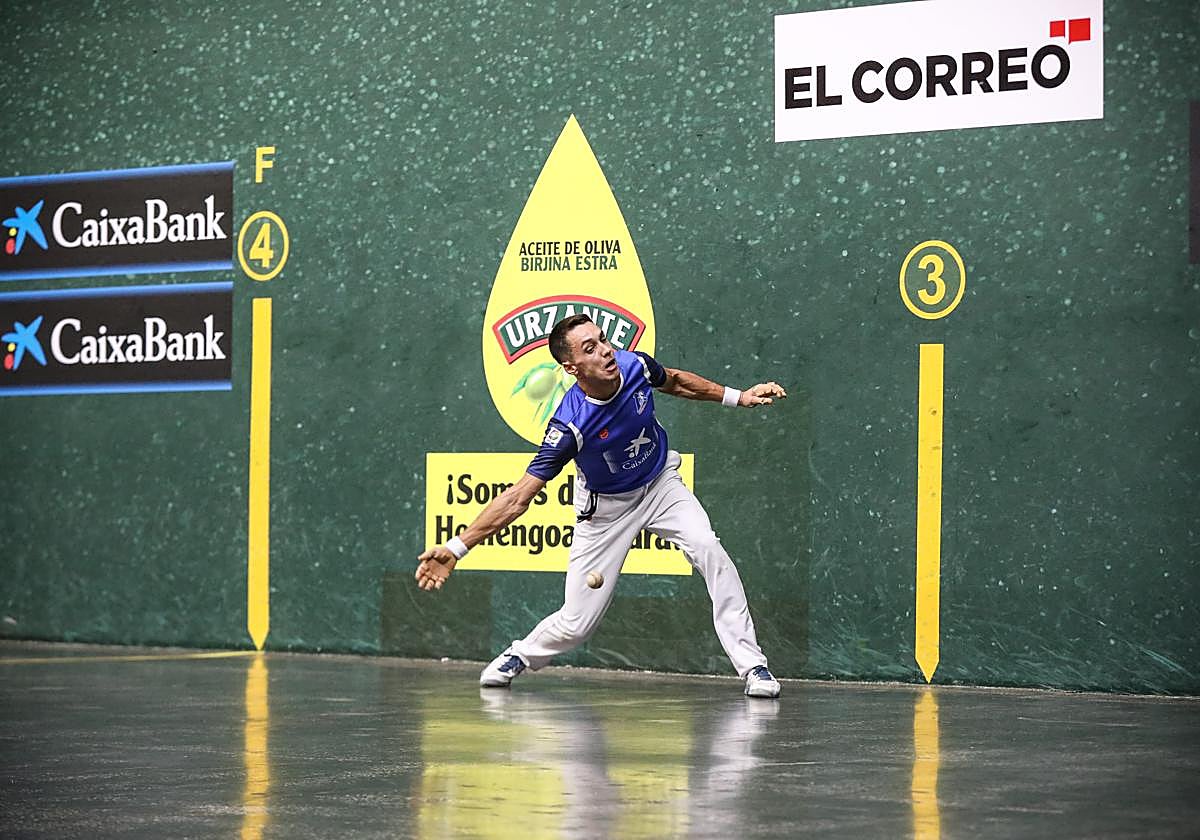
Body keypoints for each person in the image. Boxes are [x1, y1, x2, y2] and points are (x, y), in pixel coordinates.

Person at [415, 314, 786, 698]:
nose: (606, 351)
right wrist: (458, 547)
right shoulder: (570, 427)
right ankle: (521, 655)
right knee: (577, 624)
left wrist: (737, 396)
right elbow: (518, 497)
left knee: (709, 548)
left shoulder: (634, 365)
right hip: (606, 511)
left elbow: (674, 380)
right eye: (590, 348)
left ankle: (753, 666)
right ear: (571, 368)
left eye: (603, 339)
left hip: (661, 484)